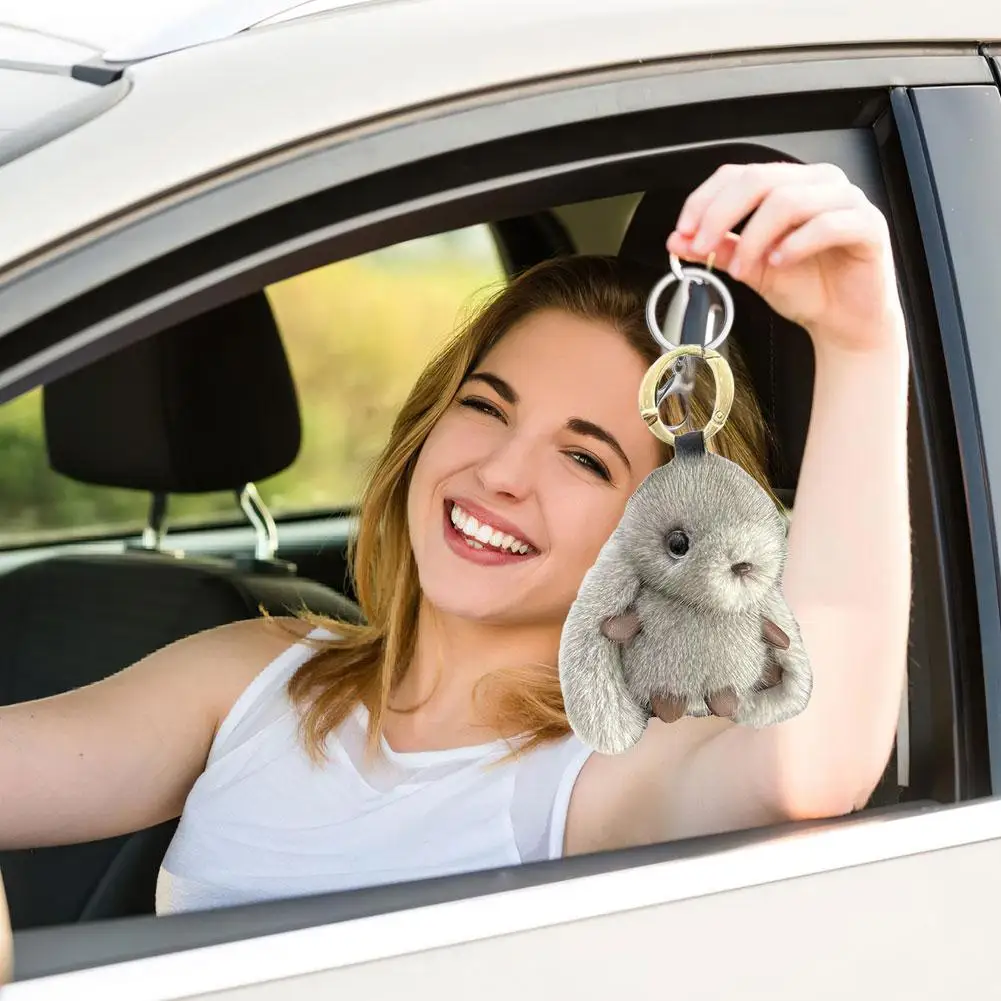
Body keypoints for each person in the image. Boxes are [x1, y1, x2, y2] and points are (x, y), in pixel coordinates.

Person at [0, 162, 910, 916]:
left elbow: (806, 765)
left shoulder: (599, 774)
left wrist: (859, 345)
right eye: (485, 407)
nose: (501, 472)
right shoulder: (256, 674)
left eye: (584, 459)